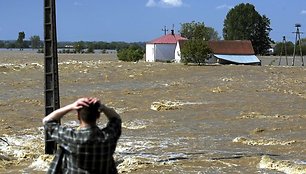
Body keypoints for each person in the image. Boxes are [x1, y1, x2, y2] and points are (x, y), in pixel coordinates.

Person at [42, 97, 122, 174]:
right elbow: (116, 118)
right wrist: (103, 107)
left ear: (78, 116)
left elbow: (47, 121)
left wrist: (71, 106)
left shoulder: (71, 138)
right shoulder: (108, 138)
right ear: (98, 116)